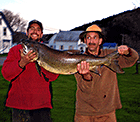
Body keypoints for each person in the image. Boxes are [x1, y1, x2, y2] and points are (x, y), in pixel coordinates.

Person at [74, 24, 139, 122]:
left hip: (107, 112)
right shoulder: (78, 60)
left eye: (95, 37)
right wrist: (86, 76)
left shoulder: (110, 55)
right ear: (85, 41)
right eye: (88, 38)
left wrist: (128, 51)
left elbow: (132, 59)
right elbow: (84, 88)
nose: (91, 41)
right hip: (84, 113)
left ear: (100, 41)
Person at [1, 20, 59, 122]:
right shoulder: (15, 50)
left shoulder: (48, 51)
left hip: (42, 105)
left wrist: (41, 61)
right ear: (27, 32)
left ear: (41, 34)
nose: (34, 31)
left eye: (38, 29)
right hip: (19, 105)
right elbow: (6, 74)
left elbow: (53, 77)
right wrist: (22, 62)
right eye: (32, 28)